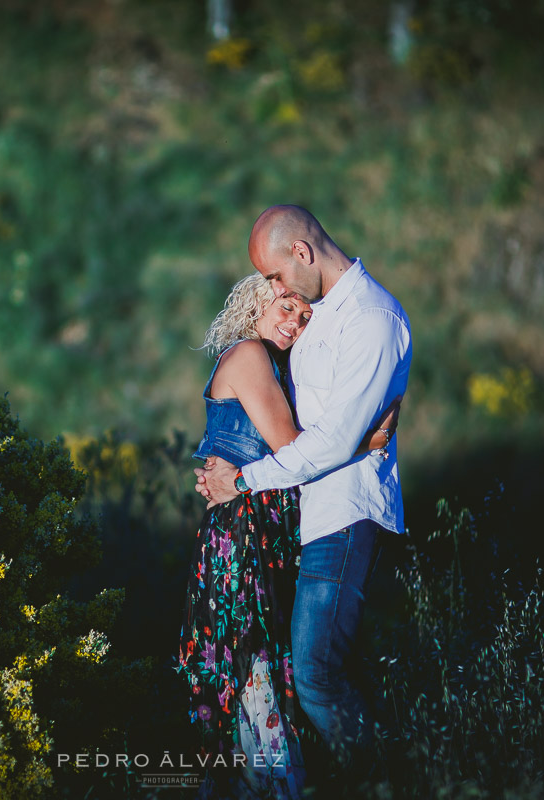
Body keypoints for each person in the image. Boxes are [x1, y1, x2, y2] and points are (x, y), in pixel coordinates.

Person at [195, 205, 412, 786]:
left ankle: (387, 784)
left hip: (340, 510)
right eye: (273, 295)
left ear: (302, 253)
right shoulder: (312, 325)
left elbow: (332, 437)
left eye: (281, 280)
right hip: (296, 518)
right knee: (285, 672)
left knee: (312, 672)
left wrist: (241, 479)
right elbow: (313, 427)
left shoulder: (370, 316)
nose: (284, 301)